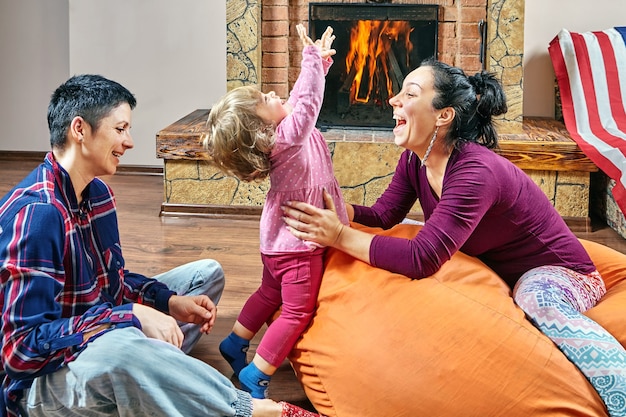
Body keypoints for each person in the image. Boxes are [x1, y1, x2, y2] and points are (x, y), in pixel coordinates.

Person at [282, 59, 626, 417]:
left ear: (443, 116)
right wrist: (337, 209)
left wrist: (338, 236)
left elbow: (422, 259)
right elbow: (383, 217)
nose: (393, 101)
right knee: (414, 234)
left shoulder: (476, 172)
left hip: (566, 276)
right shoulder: (417, 161)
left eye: (410, 94)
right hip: (507, 272)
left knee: (533, 296)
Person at [0, 74, 324, 417]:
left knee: (206, 275)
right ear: (80, 130)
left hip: (92, 329)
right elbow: (20, 351)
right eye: (120, 128)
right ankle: (247, 409)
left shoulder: (98, 194)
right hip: (40, 385)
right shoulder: (37, 216)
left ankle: (155, 376)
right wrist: (128, 318)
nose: (130, 142)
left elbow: (112, 284)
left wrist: (167, 301)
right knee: (125, 349)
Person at [203, 24, 349, 400]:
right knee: (296, 312)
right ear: (264, 130)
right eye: (264, 100)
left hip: (276, 242)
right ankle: (258, 374)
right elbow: (308, 104)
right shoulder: (287, 136)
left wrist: (321, 65)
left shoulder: (282, 130)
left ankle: (236, 341)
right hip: (297, 246)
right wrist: (310, 59)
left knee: (270, 292)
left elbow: (301, 98)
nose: (272, 93)